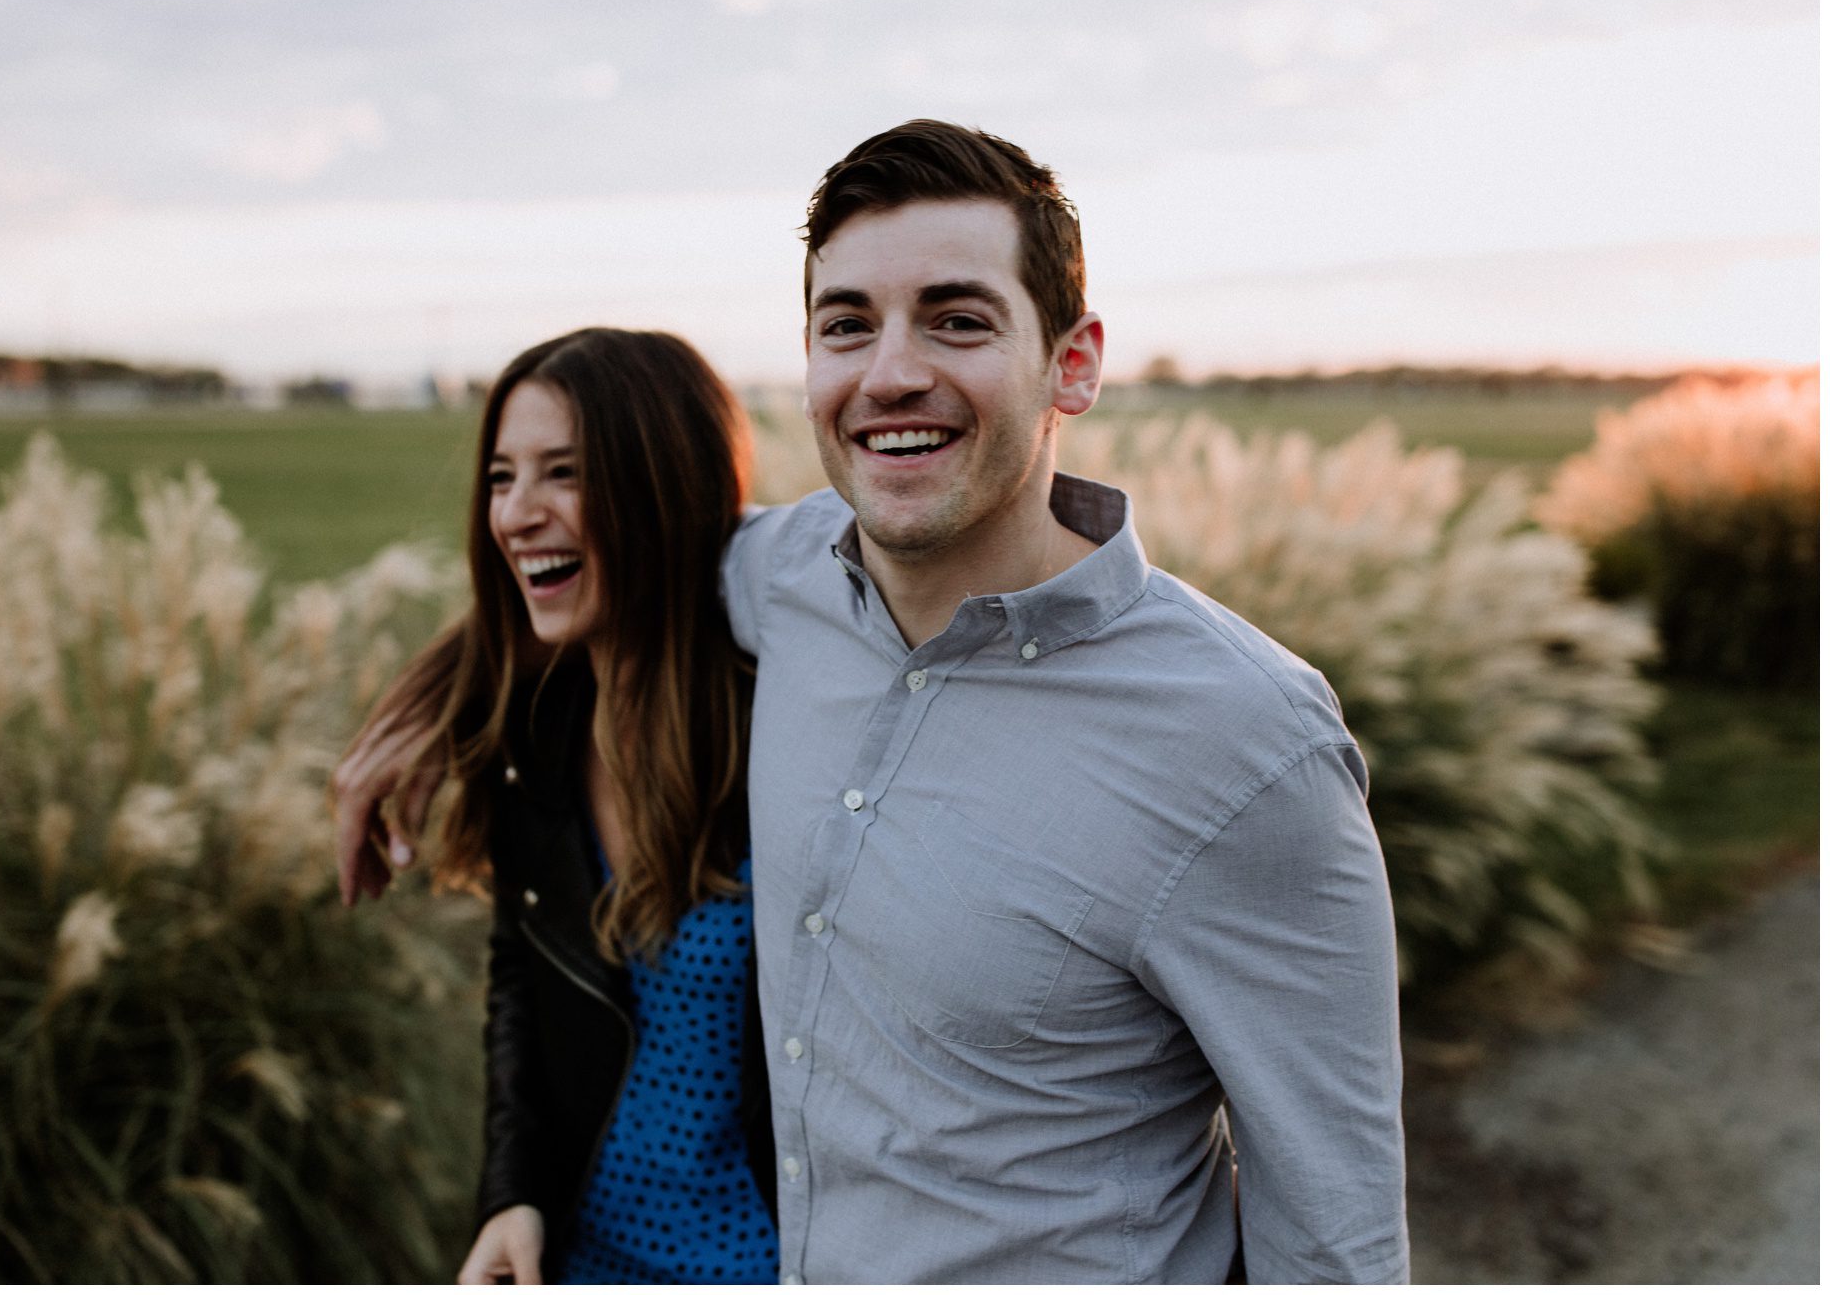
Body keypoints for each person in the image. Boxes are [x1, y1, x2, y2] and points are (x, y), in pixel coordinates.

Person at [338, 122, 1408, 1283]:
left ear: (1074, 362)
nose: (890, 371)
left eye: (956, 317)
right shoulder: (778, 579)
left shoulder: (1248, 747)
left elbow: (1336, 1243)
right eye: (847, 323)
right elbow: (618, 558)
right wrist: (429, 703)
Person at [340, 327, 777, 1283]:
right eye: (501, 477)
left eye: (565, 474)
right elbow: (524, 981)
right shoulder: (532, 733)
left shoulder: (797, 730)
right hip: (581, 1259)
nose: (516, 515)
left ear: (661, 487)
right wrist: (512, 1192)